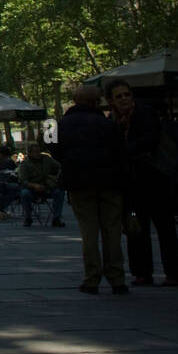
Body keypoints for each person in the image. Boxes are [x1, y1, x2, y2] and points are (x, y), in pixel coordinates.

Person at [106, 78, 178, 286]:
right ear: (111, 101)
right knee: (135, 227)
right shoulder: (113, 121)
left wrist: (124, 151)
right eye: (119, 96)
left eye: (127, 94)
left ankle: (174, 272)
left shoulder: (144, 113)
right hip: (131, 185)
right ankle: (141, 272)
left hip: (155, 180)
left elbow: (151, 139)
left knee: (165, 226)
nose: (124, 99)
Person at [55, 84, 128, 295]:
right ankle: (117, 278)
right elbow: (121, 152)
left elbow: (54, 149)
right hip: (109, 182)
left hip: (78, 182)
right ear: (97, 102)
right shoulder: (108, 124)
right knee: (112, 230)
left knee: (88, 231)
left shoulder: (62, 124)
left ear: (75, 101)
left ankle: (92, 278)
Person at [16, 141, 66, 227]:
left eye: (39, 151)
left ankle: (56, 218)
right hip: (32, 189)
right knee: (25, 194)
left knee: (59, 192)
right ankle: (28, 218)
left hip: (47, 187)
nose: (38, 154)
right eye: (35, 152)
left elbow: (60, 166)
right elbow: (22, 181)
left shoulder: (46, 159)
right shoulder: (25, 164)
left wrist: (56, 177)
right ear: (30, 153)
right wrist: (34, 186)